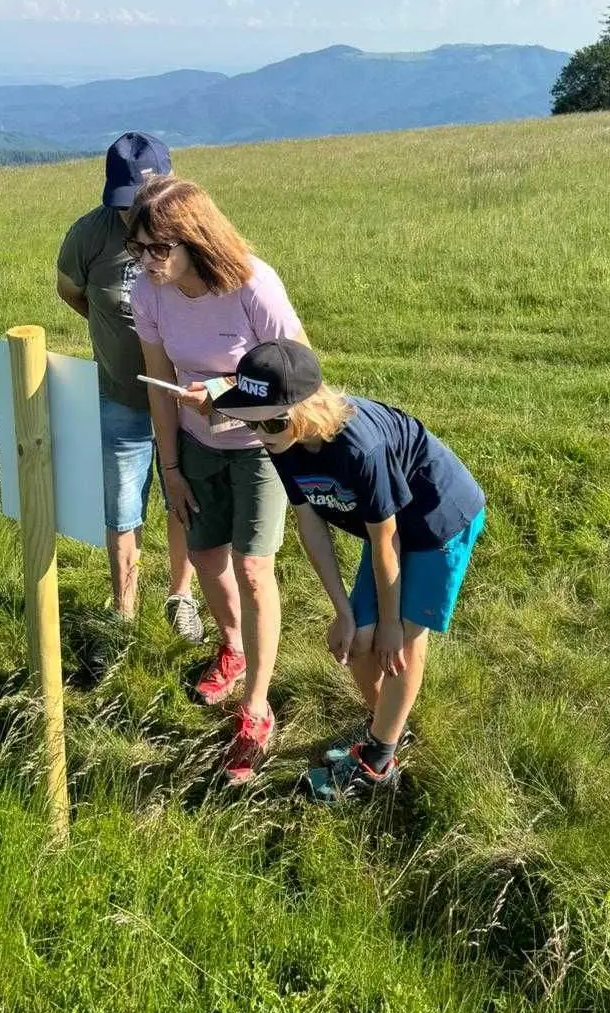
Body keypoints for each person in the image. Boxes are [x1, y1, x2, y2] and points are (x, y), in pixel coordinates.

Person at [211, 339, 486, 804]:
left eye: (271, 422)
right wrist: (342, 611)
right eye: (250, 422)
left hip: (436, 521)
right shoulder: (281, 436)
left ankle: (377, 764)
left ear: (307, 407)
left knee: (400, 646)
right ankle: (389, 730)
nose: (260, 434)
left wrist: (393, 624)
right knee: (359, 641)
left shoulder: (360, 448)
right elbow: (310, 524)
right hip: (387, 534)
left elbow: (387, 540)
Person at [127, 176, 307, 784]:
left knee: (253, 567)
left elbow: (299, 370)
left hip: (260, 445)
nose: (147, 262)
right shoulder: (149, 292)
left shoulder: (252, 283)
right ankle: (233, 647)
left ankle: (256, 707)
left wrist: (228, 393)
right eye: (137, 248)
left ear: (195, 239)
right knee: (206, 557)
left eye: (159, 248)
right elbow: (158, 387)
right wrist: (171, 469)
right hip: (195, 444)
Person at [56, 133, 202, 642]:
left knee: (184, 498)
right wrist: (111, 330)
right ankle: (124, 612)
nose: (133, 215)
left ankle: (181, 597)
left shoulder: (194, 234)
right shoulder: (88, 235)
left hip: (186, 400)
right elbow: (70, 291)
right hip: (121, 396)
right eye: (124, 205)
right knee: (121, 508)